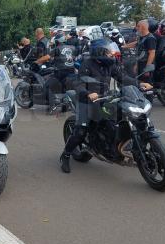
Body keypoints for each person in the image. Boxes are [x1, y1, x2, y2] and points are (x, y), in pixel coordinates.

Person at [59, 39, 153, 173]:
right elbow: (78, 83)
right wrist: (88, 93)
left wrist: (139, 84)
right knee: (81, 130)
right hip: (86, 100)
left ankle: (117, 145)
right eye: (109, 51)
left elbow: (123, 77)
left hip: (105, 97)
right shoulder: (87, 64)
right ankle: (66, 155)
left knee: (120, 117)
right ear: (100, 52)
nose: (112, 53)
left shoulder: (110, 64)